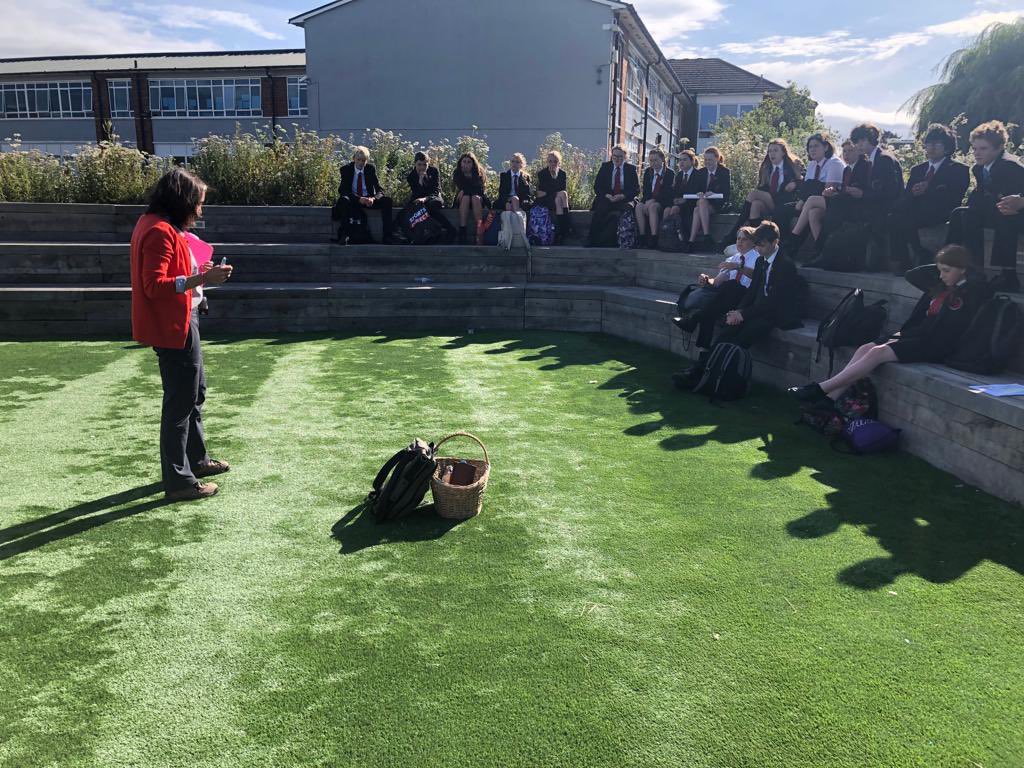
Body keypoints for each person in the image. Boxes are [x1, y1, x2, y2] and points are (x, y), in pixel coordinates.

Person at [130, 168, 234, 501]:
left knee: (193, 394)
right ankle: (179, 481)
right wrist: (202, 280)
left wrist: (198, 275)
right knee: (180, 403)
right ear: (182, 201)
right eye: (198, 203)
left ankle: (197, 461)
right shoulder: (159, 231)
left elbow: (170, 275)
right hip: (173, 325)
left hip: (179, 320)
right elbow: (155, 286)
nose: (199, 211)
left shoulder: (156, 226)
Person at [789, 245, 989, 403]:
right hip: (916, 335)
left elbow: (946, 329)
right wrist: (943, 266)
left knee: (877, 352)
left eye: (946, 270)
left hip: (936, 344)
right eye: (939, 270)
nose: (941, 276)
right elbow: (914, 275)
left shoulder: (968, 293)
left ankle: (821, 388)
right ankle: (830, 399)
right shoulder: (940, 286)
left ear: (963, 270)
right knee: (866, 347)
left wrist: (964, 275)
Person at [672, 221, 799, 386]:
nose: (758, 249)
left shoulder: (785, 265)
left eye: (762, 245)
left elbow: (774, 302)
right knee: (725, 333)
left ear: (775, 242)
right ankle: (698, 372)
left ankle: (711, 378)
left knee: (737, 341)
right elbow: (753, 291)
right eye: (757, 245)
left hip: (774, 314)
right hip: (756, 309)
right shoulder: (762, 260)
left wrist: (743, 314)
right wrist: (737, 312)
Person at [946, 120, 1024, 292]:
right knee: (960, 214)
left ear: (998, 148)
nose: (977, 153)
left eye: (983, 149)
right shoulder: (980, 169)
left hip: (1016, 214)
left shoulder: (1011, 166)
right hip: (996, 209)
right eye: (974, 148)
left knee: (1003, 214)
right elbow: (979, 197)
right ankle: (954, 265)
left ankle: (1009, 275)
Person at [815, 123, 901, 269]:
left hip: (881, 208)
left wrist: (863, 194)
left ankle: (823, 253)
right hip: (870, 203)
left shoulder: (884, 159)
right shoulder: (872, 159)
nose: (859, 145)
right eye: (857, 141)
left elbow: (891, 192)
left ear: (871, 139)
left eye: (862, 141)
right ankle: (823, 252)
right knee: (835, 202)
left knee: (837, 210)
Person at [887, 123, 970, 274]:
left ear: (947, 147)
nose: (930, 148)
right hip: (916, 211)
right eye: (928, 144)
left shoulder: (958, 169)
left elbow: (955, 196)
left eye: (936, 145)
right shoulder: (918, 170)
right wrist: (913, 193)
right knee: (895, 217)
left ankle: (921, 255)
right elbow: (905, 198)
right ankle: (904, 259)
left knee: (906, 219)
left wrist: (929, 190)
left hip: (940, 211)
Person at [674, 225, 757, 350]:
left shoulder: (757, 258)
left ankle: (693, 321)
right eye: (738, 239)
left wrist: (738, 267)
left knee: (732, 285)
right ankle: (703, 350)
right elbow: (717, 281)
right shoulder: (733, 258)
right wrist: (707, 280)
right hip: (726, 298)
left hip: (745, 299)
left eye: (744, 239)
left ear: (753, 242)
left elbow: (757, 277)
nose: (739, 242)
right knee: (709, 311)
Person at [783, 133, 846, 260]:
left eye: (816, 146)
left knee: (810, 201)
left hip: (834, 201)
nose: (812, 149)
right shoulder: (812, 164)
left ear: (826, 147)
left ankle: (793, 240)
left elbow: (827, 190)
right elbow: (808, 186)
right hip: (814, 202)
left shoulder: (834, 163)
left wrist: (805, 196)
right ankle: (821, 250)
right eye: (810, 147)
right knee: (811, 213)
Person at [727, 139, 801, 245]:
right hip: (770, 203)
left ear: (783, 152)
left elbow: (804, 180)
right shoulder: (766, 168)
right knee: (755, 205)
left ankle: (735, 230)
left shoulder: (792, 167)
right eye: (770, 151)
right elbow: (761, 187)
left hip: (784, 204)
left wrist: (795, 184)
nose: (772, 154)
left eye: (775, 150)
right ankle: (755, 240)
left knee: (753, 194)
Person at [334, 146, 393, 245]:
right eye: (359, 160)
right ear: (354, 159)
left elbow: (380, 189)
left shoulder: (370, 169)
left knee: (387, 201)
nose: (361, 163)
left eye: (364, 160)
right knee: (344, 200)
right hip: (354, 200)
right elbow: (343, 190)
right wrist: (358, 199)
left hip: (368, 200)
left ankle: (387, 236)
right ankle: (344, 235)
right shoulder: (346, 169)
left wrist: (373, 198)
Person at [588, 144, 640, 247]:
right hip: (608, 197)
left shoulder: (631, 169)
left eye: (620, 156)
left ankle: (624, 240)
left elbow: (636, 189)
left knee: (626, 210)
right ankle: (592, 240)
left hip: (624, 198)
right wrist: (607, 195)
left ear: (625, 157)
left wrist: (622, 196)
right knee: (600, 209)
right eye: (614, 156)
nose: (617, 159)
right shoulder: (605, 167)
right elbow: (597, 186)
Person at [404, 151, 456, 241]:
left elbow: (436, 190)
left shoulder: (434, 171)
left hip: (433, 197)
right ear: (415, 164)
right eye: (419, 165)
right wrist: (420, 180)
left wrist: (425, 198)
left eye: (425, 165)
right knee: (410, 208)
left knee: (430, 205)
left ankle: (449, 229)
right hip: (419, 198)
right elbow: (416, 193)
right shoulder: (411, 176)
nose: (422, 168)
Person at [687, 147, 731, 251]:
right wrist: (699, 193)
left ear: (717, 159)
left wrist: (714, 193)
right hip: (702, 202)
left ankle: (692, 241)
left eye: (710, 160)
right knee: (700, 204)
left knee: (697, 210)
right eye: (705, 160)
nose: (707, 162)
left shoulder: (724, 172)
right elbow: (696, 189)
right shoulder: (701, 172)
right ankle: (705, 237)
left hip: (716, 203)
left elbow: (726, 192)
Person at [636, 148, 675, 248]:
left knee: (652, 207)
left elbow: (668, 193)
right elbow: (646, 191)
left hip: (663, 201)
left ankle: (654, 237)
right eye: (651, 160)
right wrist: (647, 201)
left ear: (662, 159)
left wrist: (653, 200)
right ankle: (642, 236)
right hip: (649, 200)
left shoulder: (669, 173)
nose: (653, 163)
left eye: (656, 160)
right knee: (639, 206)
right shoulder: (648, 172)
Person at [535, 150, 573, 244]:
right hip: (545, 200)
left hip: (557, 200)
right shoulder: (542, 174)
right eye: (550, 161)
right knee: (562, 194)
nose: (552, 163)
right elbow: (540, 193)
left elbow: (561, 188)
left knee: (559, 197)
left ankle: (560, 233)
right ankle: (567, 226)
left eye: (555, 161)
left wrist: (549, 191)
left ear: (559, 162)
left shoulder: (562, 174)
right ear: (547, 162)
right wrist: (552, 191)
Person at [453, 152, 490, 244]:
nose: (466, 164)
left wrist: (465, 190)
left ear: (473, 164)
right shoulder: (457, 173)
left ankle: (479, 231)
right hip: (463, 200)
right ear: (460, 163)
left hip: (477, 199)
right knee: (466, 197)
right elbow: (461, 185)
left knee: (475, 197)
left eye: (469, 162)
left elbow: (478, 189)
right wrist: (466, 190)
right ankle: (463, 231)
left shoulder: (479, 173)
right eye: (464, 162)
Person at [663, 149, 700, 238]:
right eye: (680, 160)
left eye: (685, 160)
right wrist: (675, 199)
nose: (681, 162)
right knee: (667, 210)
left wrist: (685, 200)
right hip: (679, 203)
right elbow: (675, 191)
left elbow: (698, 191)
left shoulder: (698, 174)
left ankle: (678, 238)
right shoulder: (679, 175)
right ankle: (665, 237)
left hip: (691, 203)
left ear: (692, 161)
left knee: (674, 209)